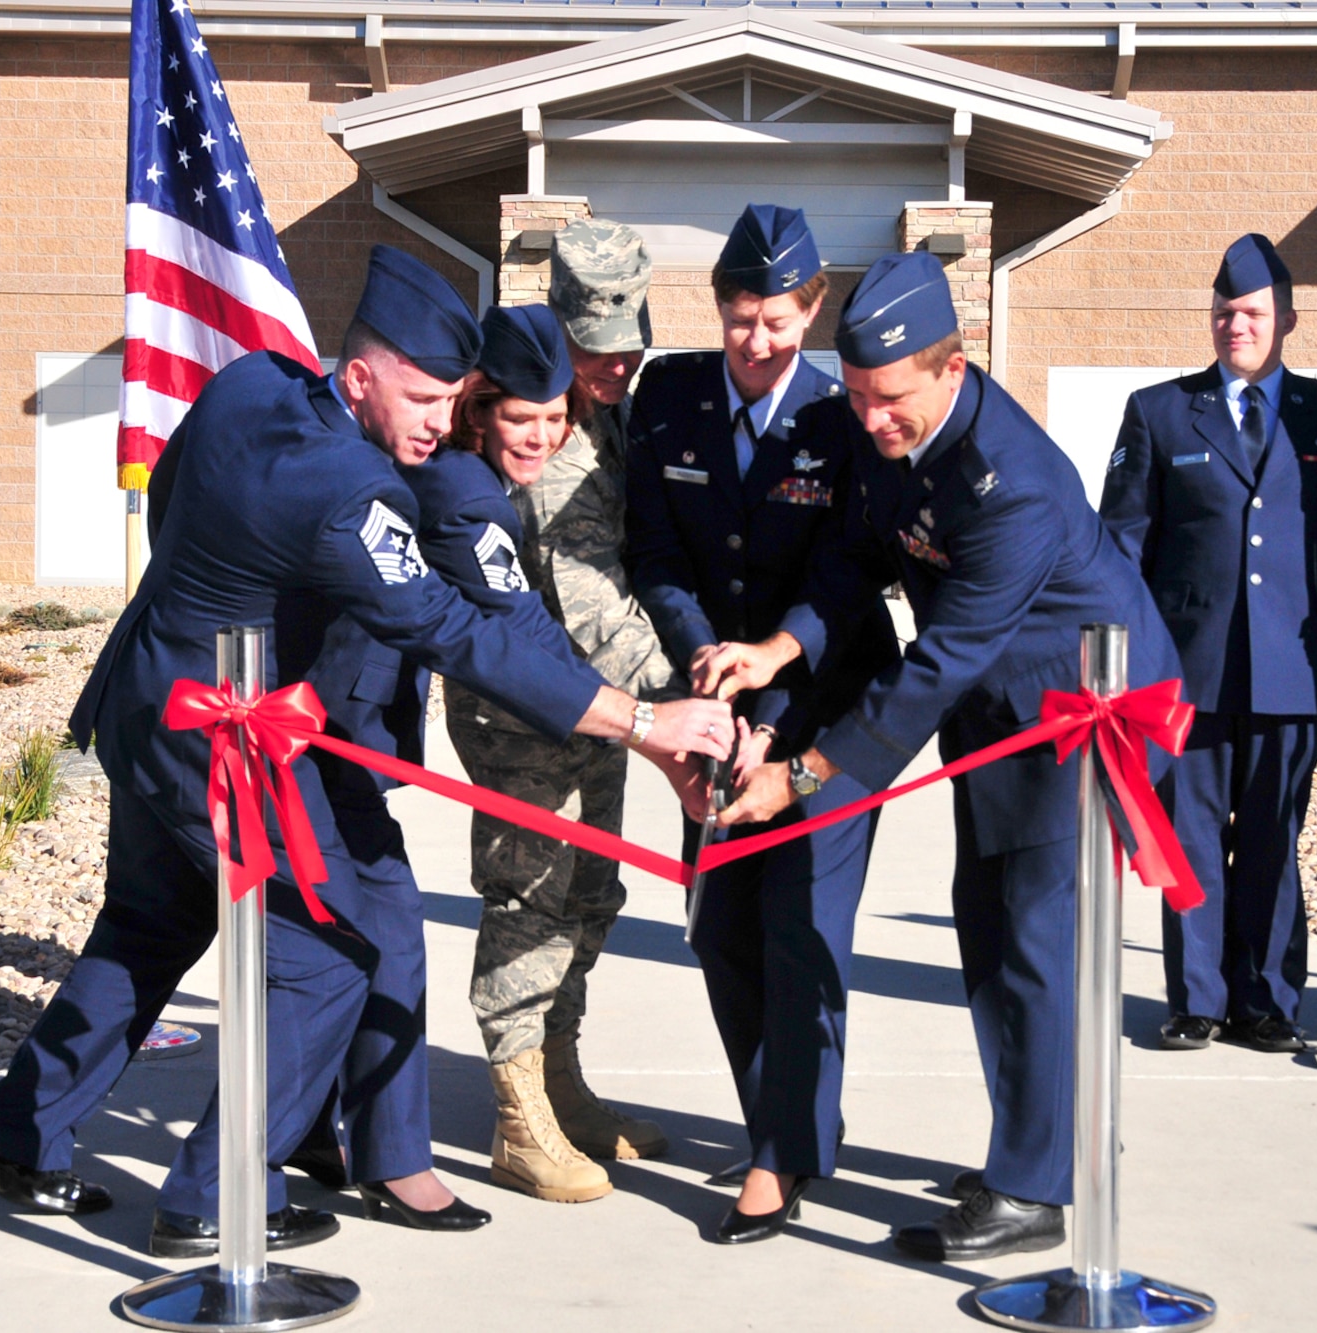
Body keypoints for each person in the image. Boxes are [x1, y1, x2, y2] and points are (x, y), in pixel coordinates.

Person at [0, 245, 732, 1256]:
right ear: (359, 375)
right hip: (225, 731)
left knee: (151, 924)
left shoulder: (250, 386)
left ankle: (16, 1133)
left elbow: (183, 493)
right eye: (420, 397)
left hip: (152, 693)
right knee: (326, 957)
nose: (438, 423)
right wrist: (641, 722)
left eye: (452, 399)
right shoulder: (346, 490)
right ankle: (217, 1198)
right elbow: (463, 633)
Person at [696, 251, 1183, 1263]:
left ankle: (1034, 1187)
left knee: (1037, 943)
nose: (868, 420)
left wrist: (804, 772)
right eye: (861, 396)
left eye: (890, 399)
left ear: (952, 370)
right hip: (996, 713)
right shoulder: (889, 433)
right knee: (987, 930)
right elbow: (852, 558)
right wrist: (781, 645)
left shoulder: (1014, 489)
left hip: (1078, 714)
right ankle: (1036, 1145)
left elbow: (935, 663)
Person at [625, 203, 897, 1244]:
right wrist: (706, 667)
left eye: (779, 320)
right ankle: (784, 1125)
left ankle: (779, 1158)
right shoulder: (671, 393)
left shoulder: (841, 419)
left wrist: (768, 708)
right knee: (721, 932)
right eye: (741, 317)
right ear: (720, 308)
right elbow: (654, 549)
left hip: (822, 708)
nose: (757, 341)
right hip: (713, 703)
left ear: (813, 309)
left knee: (801, 934)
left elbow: (844, 577)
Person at [404, 298, 690, 1205]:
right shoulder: (461, 487)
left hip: (588, 707)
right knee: (529, 900)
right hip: (516, 718)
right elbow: (525, 619)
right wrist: (666, 713)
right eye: (520, 417)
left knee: (589, 893)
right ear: (480, 408)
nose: (539, 435)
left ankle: (561, 1086)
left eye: (554, 416)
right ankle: (519, 1122)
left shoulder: (600, 424)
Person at [1099, 233, 1317, 1054]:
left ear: (1288, 321)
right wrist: (1110, 649)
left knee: (1274, 835)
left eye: (1252, 313)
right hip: (1187, 670)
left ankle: (1267, 1000)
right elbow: (1121, 544)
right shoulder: (1159, 412)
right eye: (1223, 312)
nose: (1235, 326)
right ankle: (1198, 1000)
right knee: (1190, 838)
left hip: (1292, 666)